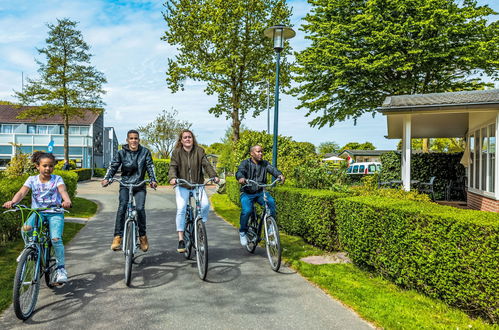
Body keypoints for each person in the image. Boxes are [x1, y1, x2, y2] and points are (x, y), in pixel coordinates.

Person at [3, 151, 72, 284]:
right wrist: (13, 202)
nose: (48, 168)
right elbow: (22, 192)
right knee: (26, 229)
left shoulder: (57, 179)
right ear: (37, 166)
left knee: (56, 239)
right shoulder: (31, 179)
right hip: (38, 212)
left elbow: (63, 191)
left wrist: (66, 201)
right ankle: (29, 249)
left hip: (55, 212)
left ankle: (60, 269)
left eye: (51, 166)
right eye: (45, 166)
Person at [102, 130, 157, 252]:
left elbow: (150, 166)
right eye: (131, 138)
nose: (134, 141)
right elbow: (113, 166)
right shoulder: (121, 153)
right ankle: (117, 237)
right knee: (122, 207)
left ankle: (142, 236)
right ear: (127, 140)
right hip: (125, 185)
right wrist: (107, 178)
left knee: (140, 208)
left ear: (139, 140)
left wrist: (153, 180)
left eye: (136, 138)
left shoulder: (145, 152)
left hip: (140, 185)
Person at [168, 129, 219, 253]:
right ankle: (181, 239)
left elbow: (207, 165)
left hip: (197, 185)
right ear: (181, 140)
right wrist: (173, 178)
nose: (187, 139)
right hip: (182, 185)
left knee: (205, 205)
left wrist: (214, 176)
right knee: (181, 209)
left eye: (189, 137)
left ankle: (200, 225)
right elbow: (173, 167)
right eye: (185, 137)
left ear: (193, 138)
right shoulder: (176, 152)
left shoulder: (199, 151)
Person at [235, 145, 285, 246]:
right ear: (252, 154)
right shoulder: (246, 163)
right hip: (247, 192)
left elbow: (272, 169)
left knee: (271, 202)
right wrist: (241, 178)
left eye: (262, 152)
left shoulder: (265, 164)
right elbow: (240, 171)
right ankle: (243, 231)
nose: (261, 154)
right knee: (247, 210)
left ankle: (271, 228)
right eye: (258, 152)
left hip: (260, 192)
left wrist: (279, 175)